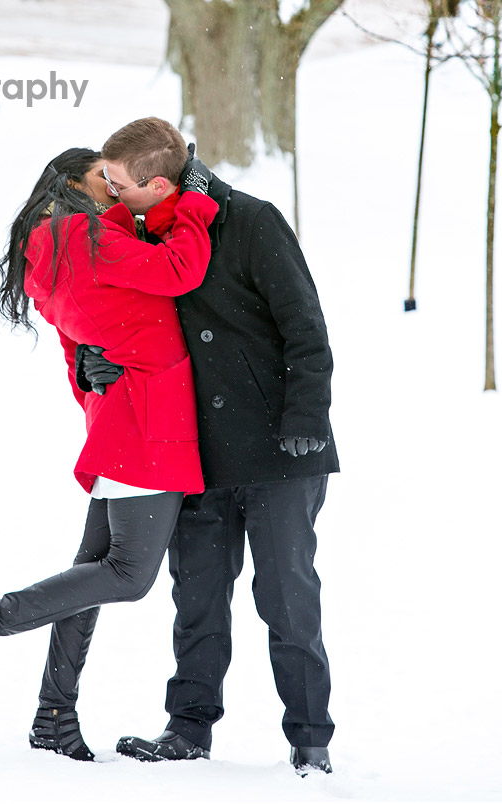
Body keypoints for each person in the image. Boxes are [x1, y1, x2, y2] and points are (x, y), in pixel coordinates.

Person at [69, 118, 339, 777]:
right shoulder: (135, 232)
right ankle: (187, 729)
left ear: (157, 182)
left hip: (279, 451)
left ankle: (310, 743)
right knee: (195, 594)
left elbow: (305, 326)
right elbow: (114, 321)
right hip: (193, 453)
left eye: (117, 181)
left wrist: (304, 413)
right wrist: (90, 364)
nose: (106, 190)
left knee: (285, 596)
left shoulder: (251, 221)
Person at [0, 147, 218, 762]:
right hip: (151, 422)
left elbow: (75, 352)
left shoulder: (51, 250)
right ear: (73, 185)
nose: (115, 188)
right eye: (103, 179)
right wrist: (192, 200)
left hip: (123, 418)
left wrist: (94, 376)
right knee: (127, 577)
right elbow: (180, 272)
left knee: (90, 573)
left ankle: (53, 715)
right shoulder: (83, 239)